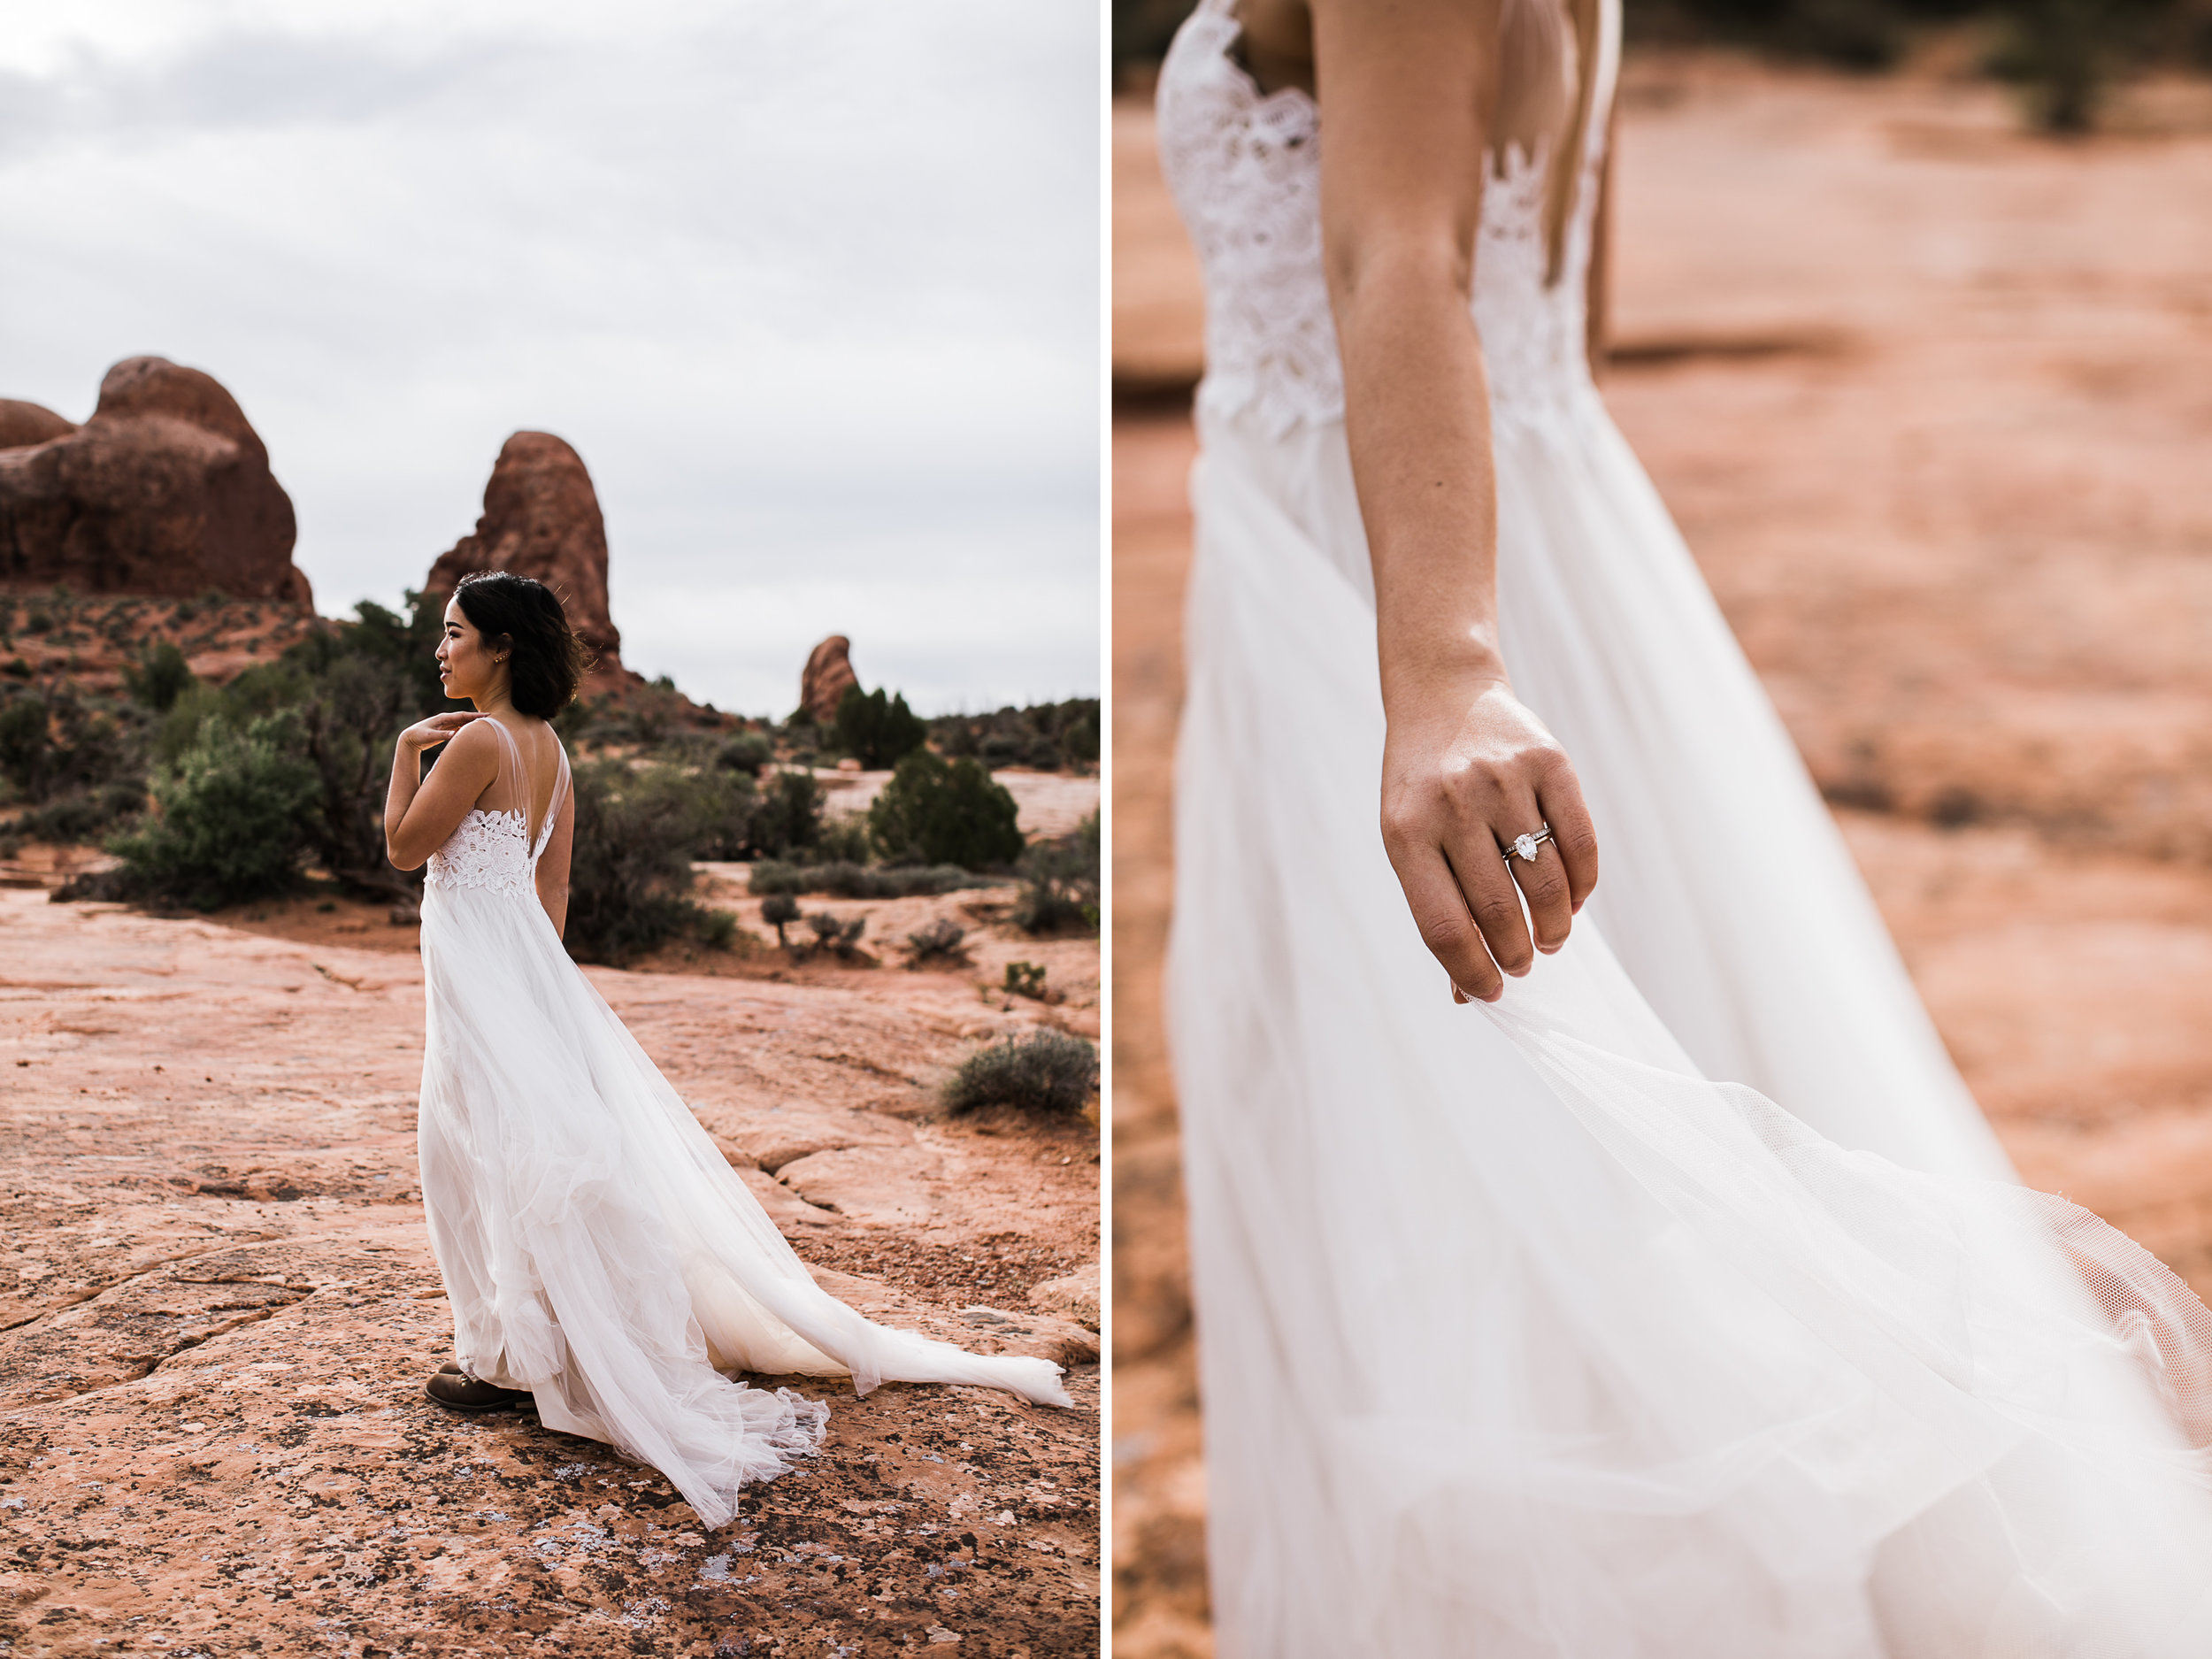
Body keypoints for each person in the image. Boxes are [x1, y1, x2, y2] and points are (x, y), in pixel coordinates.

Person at [1155, 0, 2212, 1651]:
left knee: (1461, 1194)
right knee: (1607, 1185)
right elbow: (1565, 313)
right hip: (1542, 543)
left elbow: (1401, 262)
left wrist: (1439, 671)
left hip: (1374, 583)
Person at [380, 570, 1069, 1528]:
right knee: (518, 1147)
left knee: (474, 1148)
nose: (440, 650)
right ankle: (532, 1348)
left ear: (500, 648)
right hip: (521, 969)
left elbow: (404, 849)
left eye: (454, 634)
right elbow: (555, 894)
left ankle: (509, 1360)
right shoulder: (552, 751)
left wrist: (406, 750)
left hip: (480, 972)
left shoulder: (478, 741)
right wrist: (543, 990)